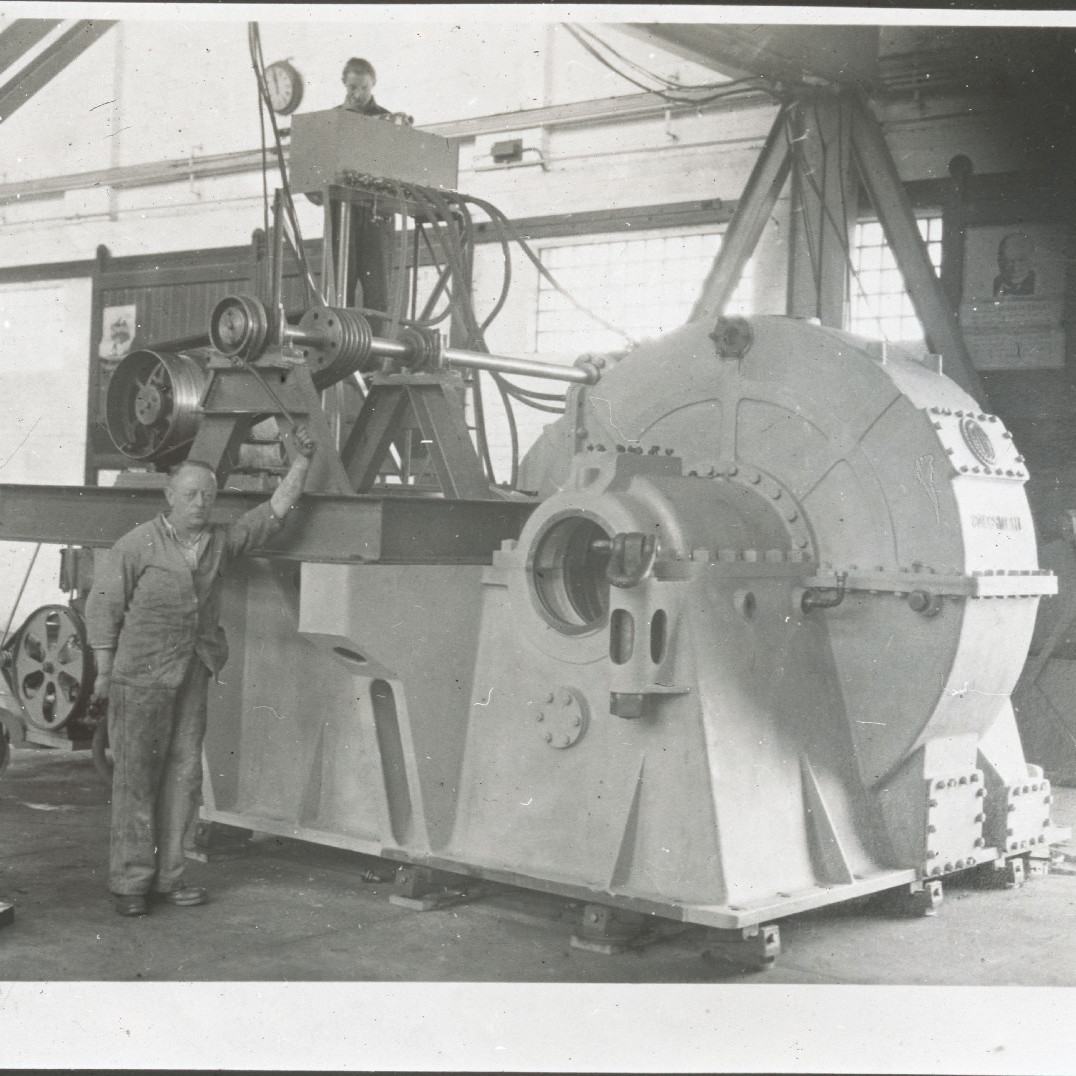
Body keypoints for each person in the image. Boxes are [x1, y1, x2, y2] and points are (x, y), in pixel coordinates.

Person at [86, 426, 317, 917]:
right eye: (190, 495)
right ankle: (130, 883)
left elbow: (273, 515)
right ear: (169, 496)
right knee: (136, 780)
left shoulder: (218, 543)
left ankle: (170, 878)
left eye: (208, 496)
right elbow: (103, 609)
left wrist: (300, 462)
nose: (200, 504)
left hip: (192, 671)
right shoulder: (135, 546)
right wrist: (104, 674)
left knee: (186, 778)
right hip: (139, 677)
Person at [993, 233, 1036, 298]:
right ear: (999, 261)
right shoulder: (994, 284)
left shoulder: (1041, 285)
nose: (1015, 268)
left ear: (1032, 259)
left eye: (1021, 260)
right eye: (1008, 261)